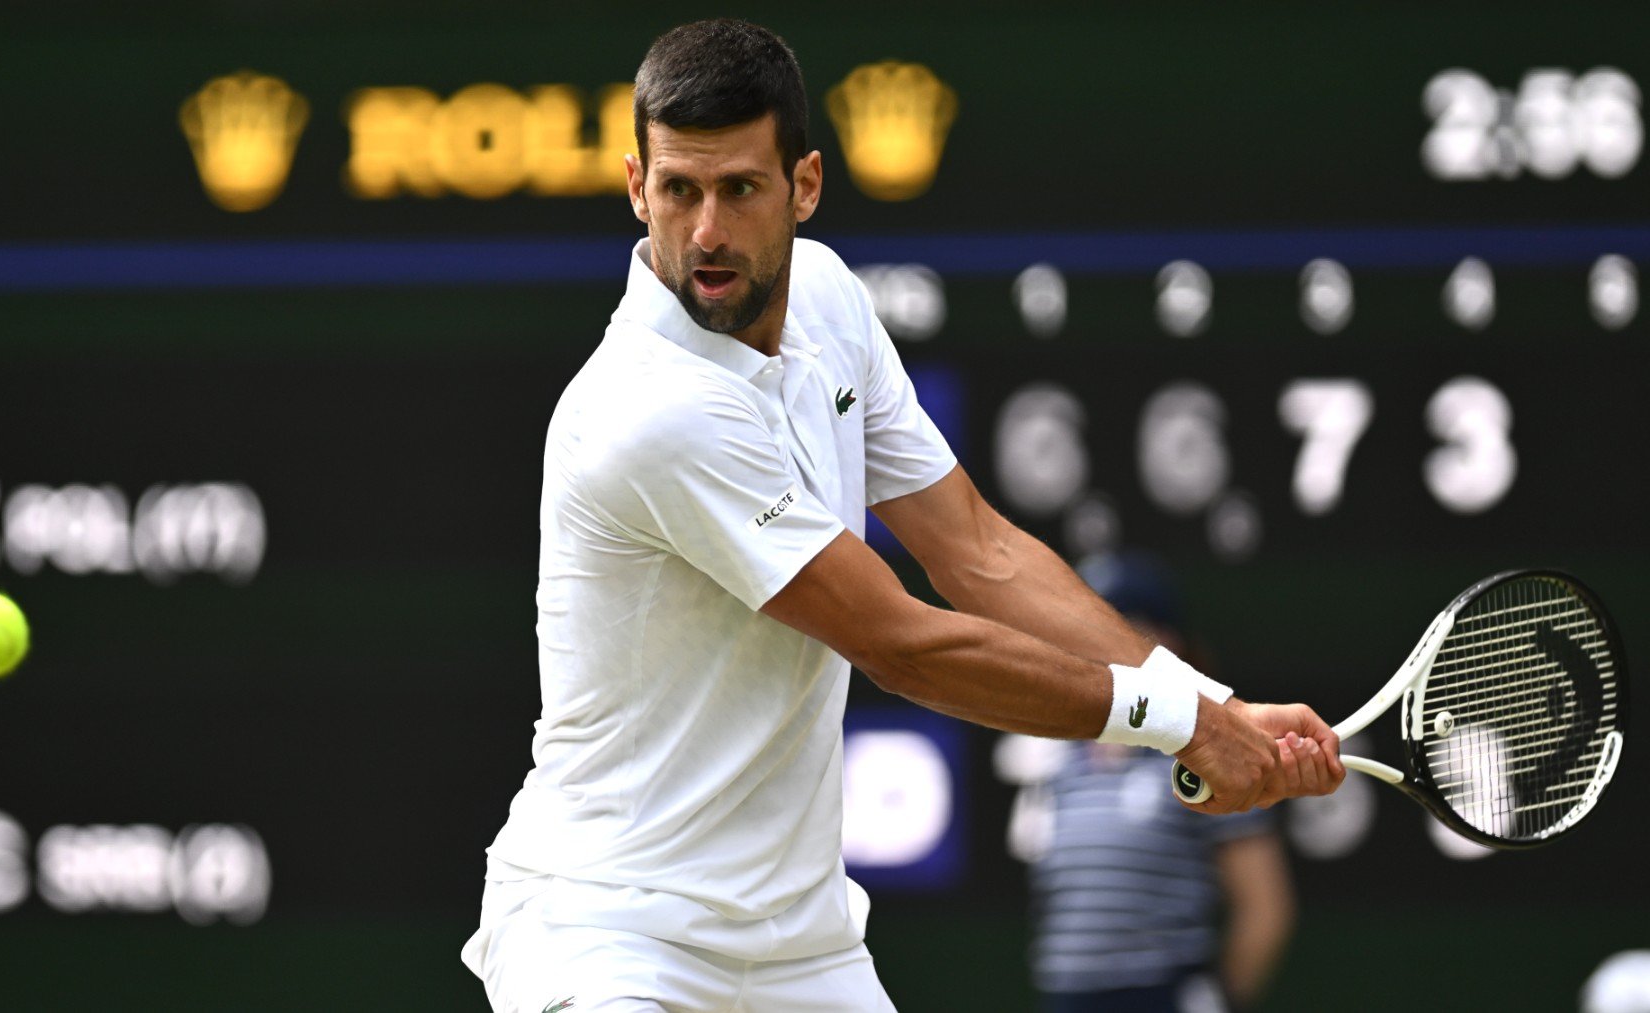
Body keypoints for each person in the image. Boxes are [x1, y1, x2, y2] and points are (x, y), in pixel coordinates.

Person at [463, 19, 1342, 1012]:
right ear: (637, 188)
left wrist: (1211, 708)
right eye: (679, 190)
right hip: (611, 936)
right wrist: (1182, 723)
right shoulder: (649, 410)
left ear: (804, 186)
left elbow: (979, 552)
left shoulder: (831, 301)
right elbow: (902, 645)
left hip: (799, 946)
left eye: (740, 189)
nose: (706, 230)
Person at [998, 552, 1295, 1013]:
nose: (1092, 650)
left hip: (1163, 994)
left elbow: (1265, 907)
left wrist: (1217, 1001)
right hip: (1066, 997)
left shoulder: (1209, 759)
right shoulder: (1058, 762)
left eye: (1119, 631)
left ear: (1168, 646)